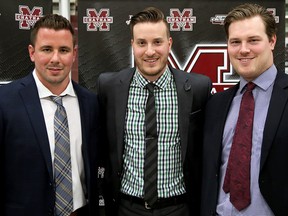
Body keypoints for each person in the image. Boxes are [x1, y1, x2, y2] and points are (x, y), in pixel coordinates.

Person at [97, 6, 212, 216]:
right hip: (126, 208)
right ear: (132, 45)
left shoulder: (197, 88)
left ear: (169, 44)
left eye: (157, 42)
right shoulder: (110, 86)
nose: (150, 51)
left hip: (179, 208)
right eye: (142, 43)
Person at [0, 14, 100, 216]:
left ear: (74, 54)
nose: (55, 59)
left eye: (63, 50)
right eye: (47, 49)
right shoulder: (5, 101)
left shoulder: (90, 103)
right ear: (32, 52)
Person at [201, 3, 288, 216]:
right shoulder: (215, 104)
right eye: (235, 42)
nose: (244, 49)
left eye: (253, 40)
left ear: (272, 41)